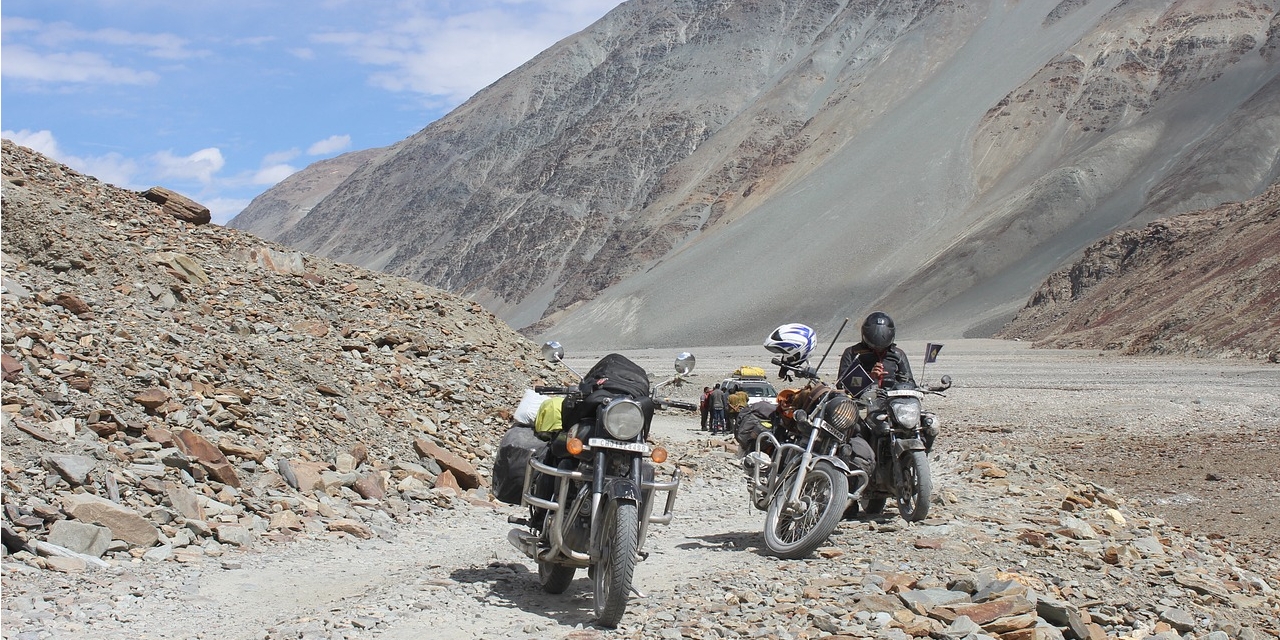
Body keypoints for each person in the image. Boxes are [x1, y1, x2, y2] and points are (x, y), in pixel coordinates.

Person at [836, 311, 915, 394]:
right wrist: (869, 377)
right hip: (860, 400)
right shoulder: (852, 353)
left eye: (883, 348)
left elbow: (909, 383)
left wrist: (898, 388)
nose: (879, 350)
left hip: (891, 400)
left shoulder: (898, 354)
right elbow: (841, 385)